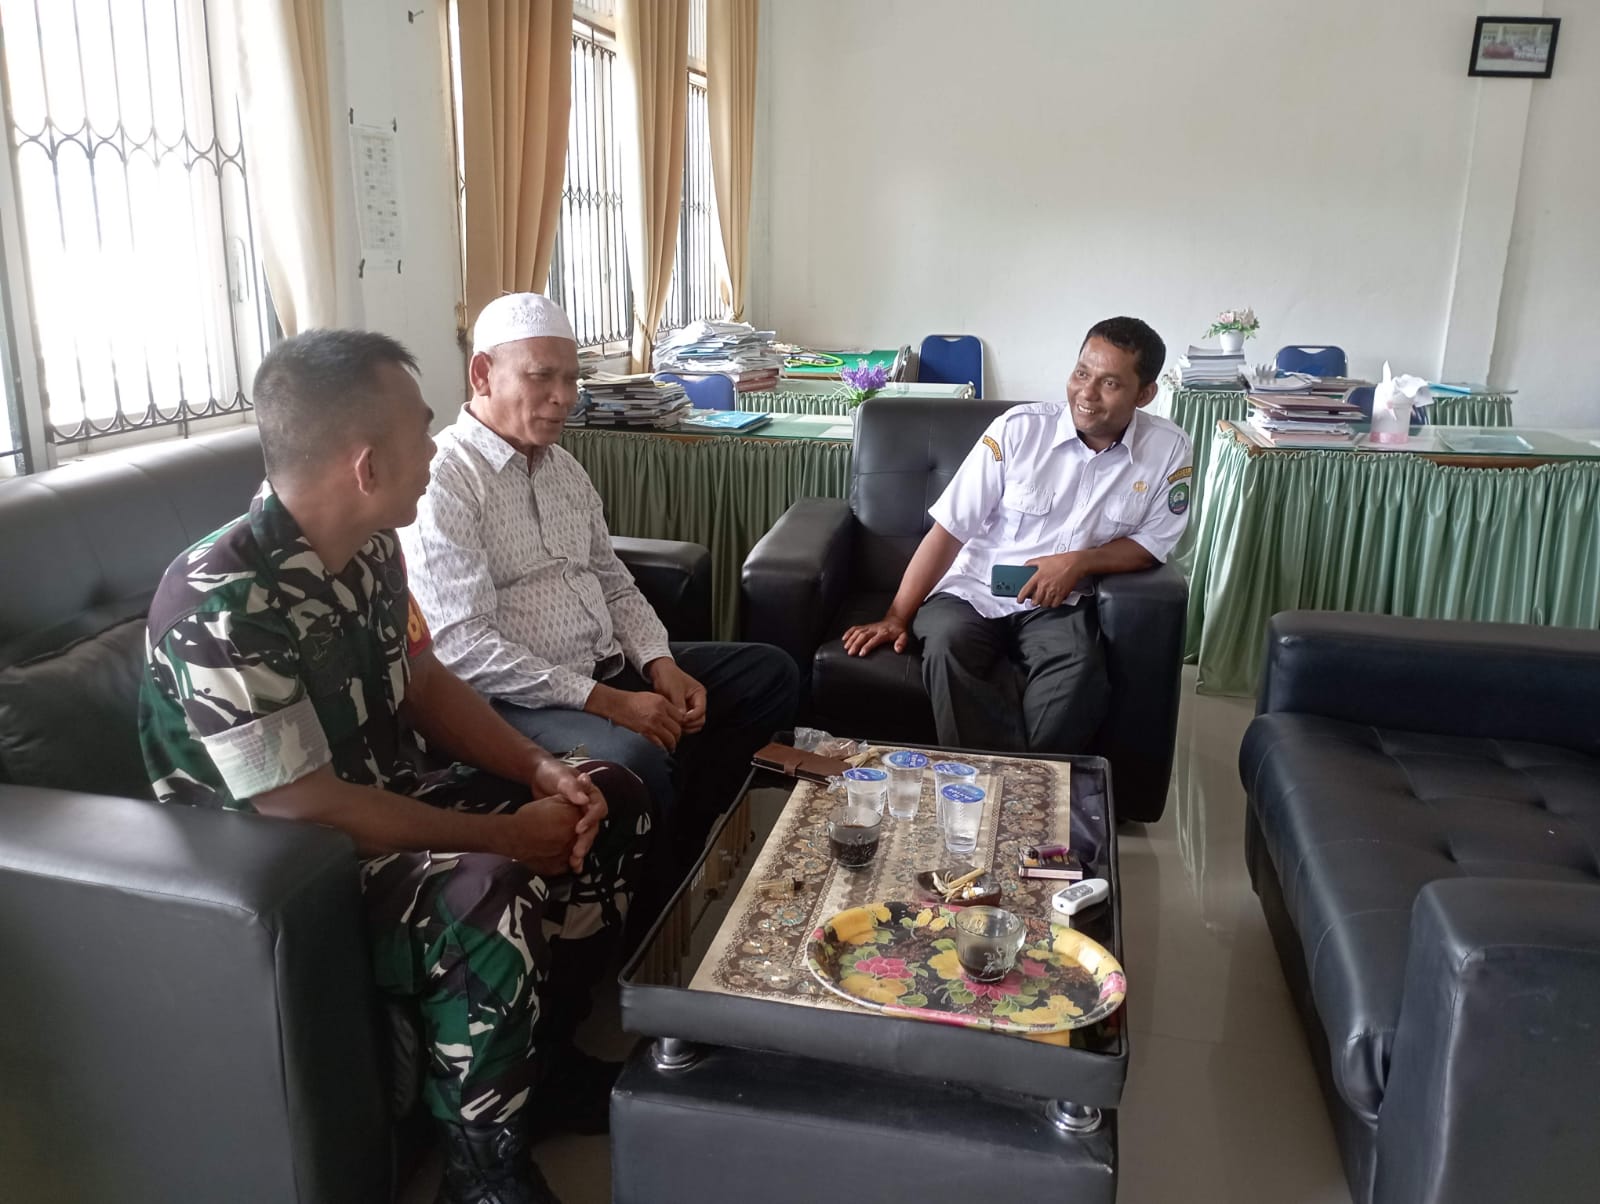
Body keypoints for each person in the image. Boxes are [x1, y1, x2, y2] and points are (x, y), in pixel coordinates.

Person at [139, 329, 645, 1204]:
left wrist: (540, 769)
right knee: (488, 891)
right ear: (367, 465)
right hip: (286, 869)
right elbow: (306, 808)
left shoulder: (373, 548)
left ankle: (545, 1063)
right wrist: (505, 837)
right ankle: (482, 1174)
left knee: (610, 796)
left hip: (387, 798)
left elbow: (426, 681)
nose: (437, 447)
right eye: (421, 430)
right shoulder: (221, 603)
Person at [399, 293, 798, 878]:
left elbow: (614, 584)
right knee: (635, 756)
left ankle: (703, 840)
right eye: (542, 377)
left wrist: (660, 662)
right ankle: (668, 895)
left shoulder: (564, 468)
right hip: (512, 702)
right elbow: (465, 650)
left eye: (571, 379)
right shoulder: (446, 480)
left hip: (607, 668)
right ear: (482, 374)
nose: (564, 397)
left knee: (768, 673)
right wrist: (607, 703)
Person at [842, 316, 1191, 754]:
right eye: (1081, 373)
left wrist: (1078, 562)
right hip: (970, 590)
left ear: (1144, 394)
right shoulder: (1019, 429)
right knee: (947, 646)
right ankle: (1010, 783)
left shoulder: (1167, 450)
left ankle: (1005, 783)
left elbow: (1152, 544)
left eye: (1109, 383)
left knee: (1078, 671)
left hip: (1058, 604)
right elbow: (950, 530)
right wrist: (896, 615)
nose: (1086, 393)